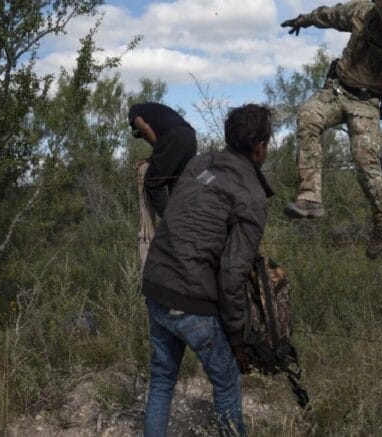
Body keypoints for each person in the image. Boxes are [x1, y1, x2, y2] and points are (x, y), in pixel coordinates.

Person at [141, 104, 274, 437]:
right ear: (260, 147)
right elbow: (232, 274)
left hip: (156, 282)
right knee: (227, 380)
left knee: (162, 378)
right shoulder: (252, 196)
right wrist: (237, 340)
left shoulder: (199, 163)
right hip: (191, 298)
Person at [281, 0, 382, 259]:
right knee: (308, 117)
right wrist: (304, 19)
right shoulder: (361, 13)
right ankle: (309, 197)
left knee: (364, 160)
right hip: (336, 91)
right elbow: (331, 15)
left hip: (366, 104)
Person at [129, 102, 198, 218]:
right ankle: (185, 222)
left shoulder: (134, 110)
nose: (145, 138)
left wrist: (156, 153)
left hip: (174, 137)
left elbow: (145, 128)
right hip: (190, 138)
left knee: (153, 181)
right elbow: (164, 151)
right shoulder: (156, 111)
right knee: (177, 184)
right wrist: (155, 157)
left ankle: (170, 223)